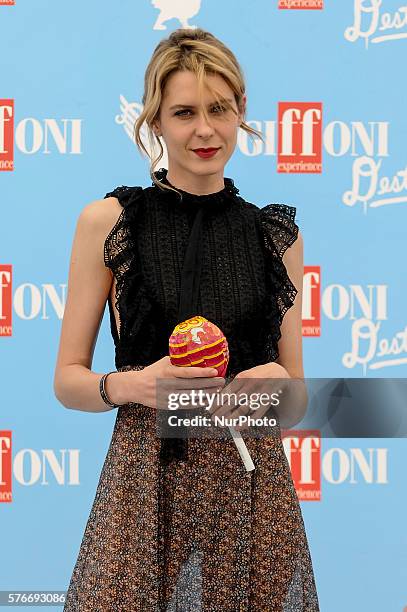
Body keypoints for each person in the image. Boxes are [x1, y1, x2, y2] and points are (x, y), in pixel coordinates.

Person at [54, 27, 320, 612]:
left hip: (253, 489)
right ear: (156, 122)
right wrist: (128, 384)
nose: (205, 130)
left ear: (241, 110)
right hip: (145, 482)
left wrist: (278, 384)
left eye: (219, 109)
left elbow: (296, 401)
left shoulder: (276, 236)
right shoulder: (108, 222)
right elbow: (67, 380)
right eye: (184, 112)